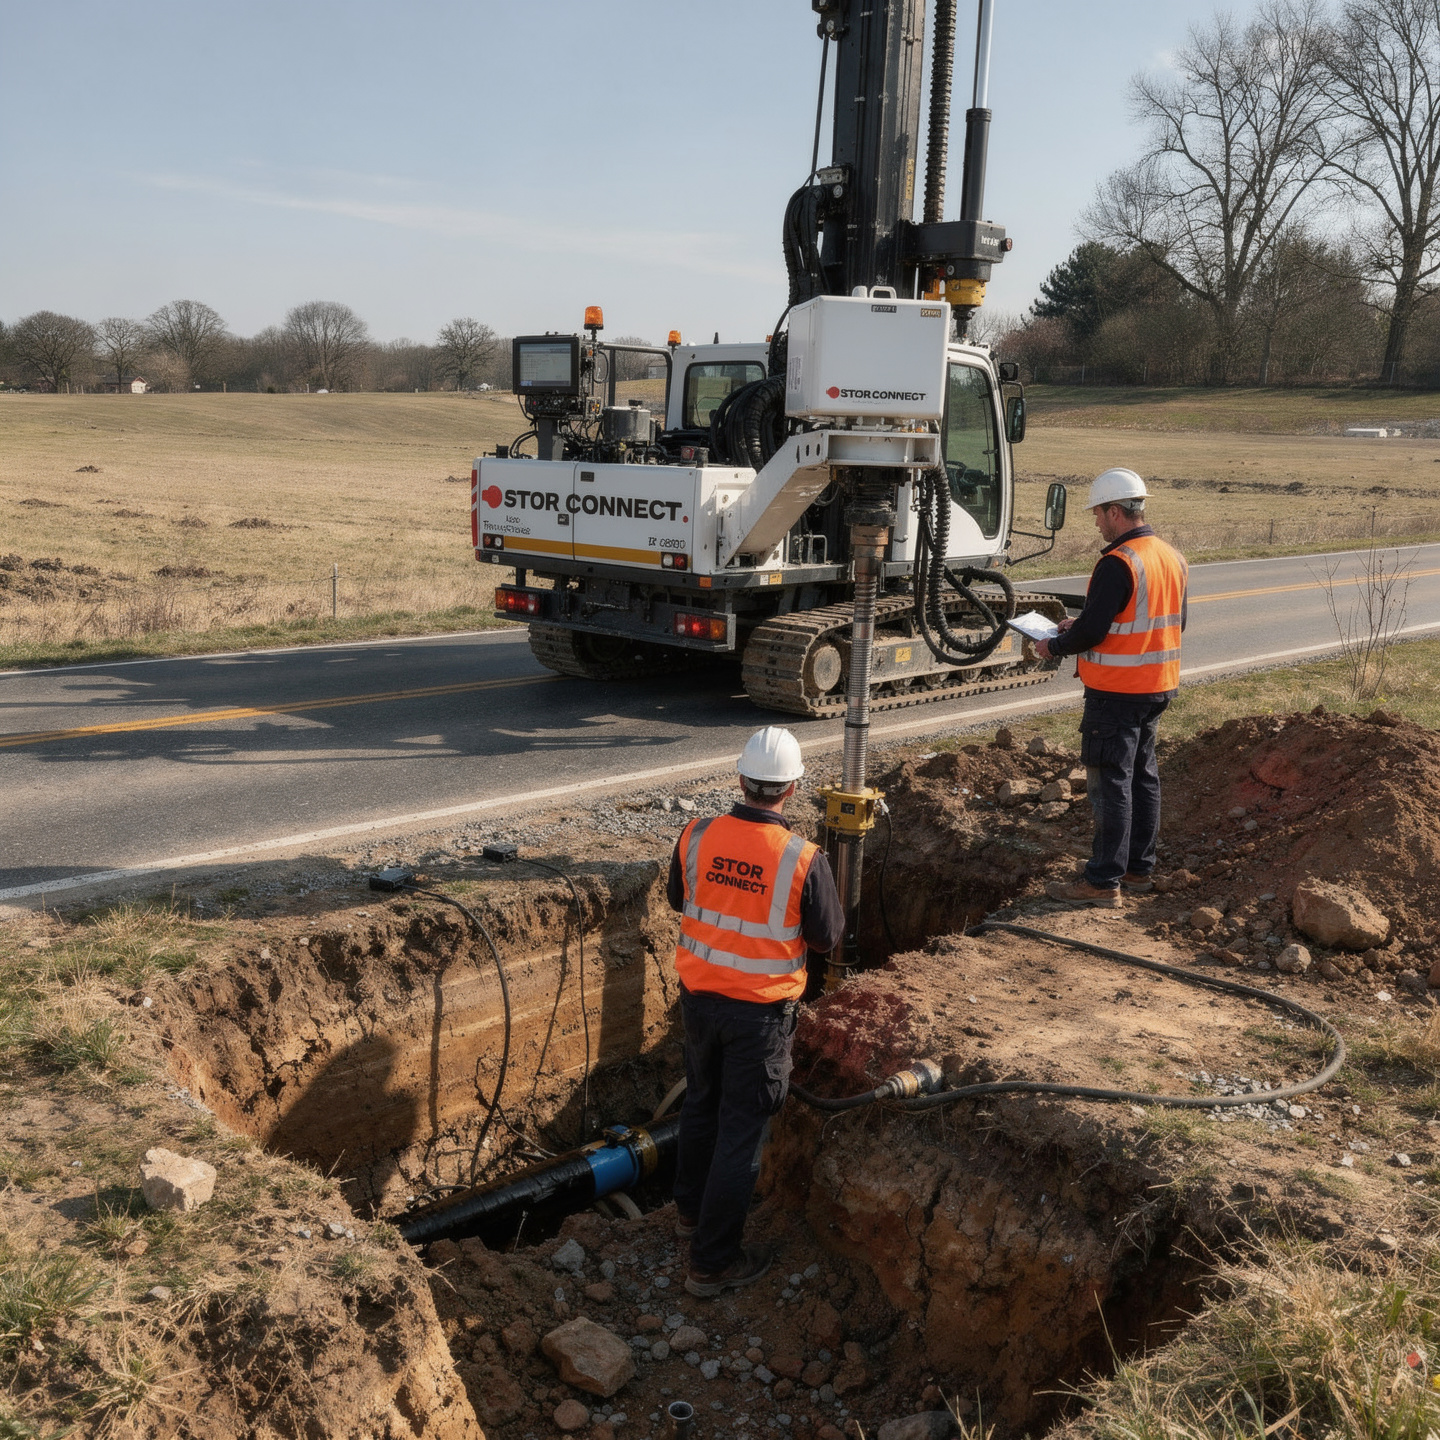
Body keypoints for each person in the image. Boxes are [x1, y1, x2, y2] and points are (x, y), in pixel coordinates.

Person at [666, 726, 843, 1297]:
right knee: (741, 1135)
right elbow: (827, 938)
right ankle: (711, 1263)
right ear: (791, 788)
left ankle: (689, 1214)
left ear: (741, 779)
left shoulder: (696, 834)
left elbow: (680, 898)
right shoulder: (803, 858)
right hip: (760, 1018)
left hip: (699, 1002)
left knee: (701, 1105)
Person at [1035, 468, 1188, 908]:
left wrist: (1053, 645)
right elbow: (1167, 622)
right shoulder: (1171, 557)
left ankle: (1103, 882)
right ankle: (1138, 869)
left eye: (1099, 514)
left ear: (1116, 512)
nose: (1097, 522)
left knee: (1110, 784)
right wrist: (1081, 623)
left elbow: (1094, 633)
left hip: (1117, 693)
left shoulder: (1118, 562)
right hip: (1156, 688)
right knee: (1142, 777)